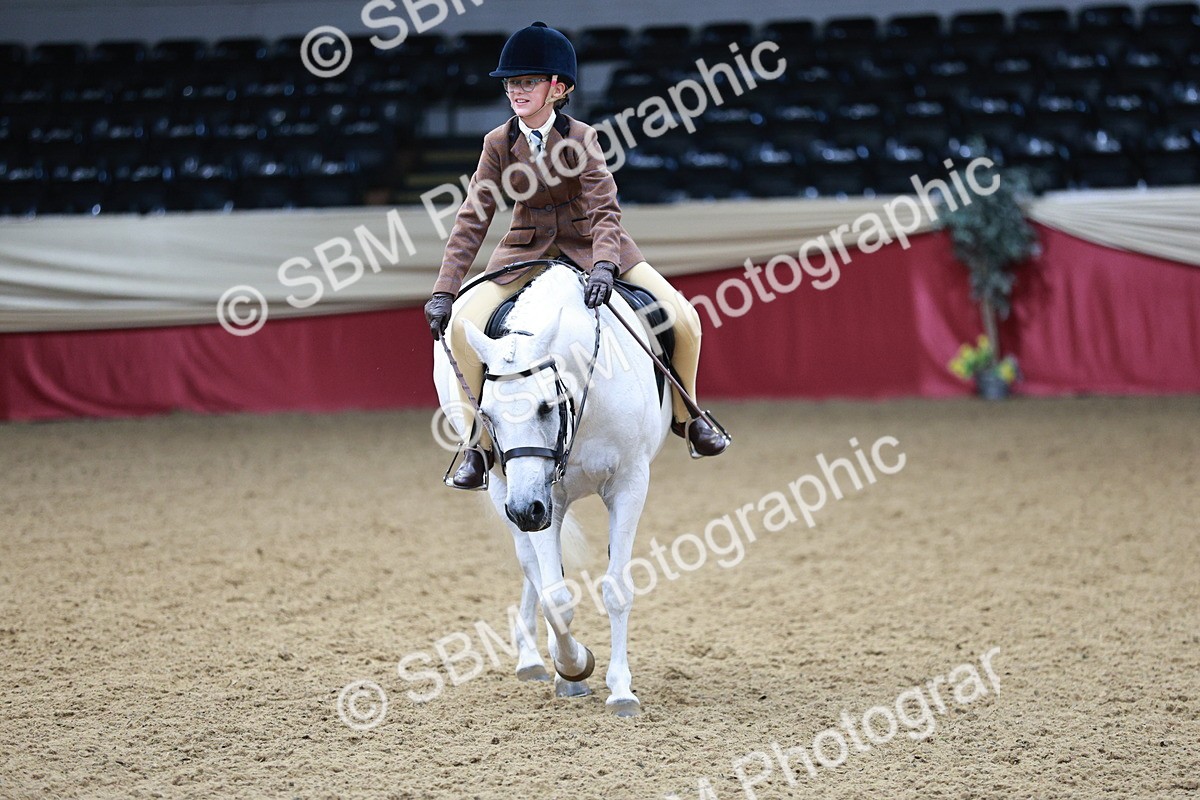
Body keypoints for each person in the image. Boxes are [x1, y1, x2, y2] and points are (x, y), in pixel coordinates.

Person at [424, 21, 727, 490]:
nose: (517, 90)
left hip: (595, 245)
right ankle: (478, 447)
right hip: (525, 250)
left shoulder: (583, 137)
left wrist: (605, 264)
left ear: (558, 88)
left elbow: (604, 208)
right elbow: (472, 218)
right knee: (464, 329)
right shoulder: (497, 144)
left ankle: (690, 418)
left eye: (528, 81)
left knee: (683, 317)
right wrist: (445, 290)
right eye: (512, 82)